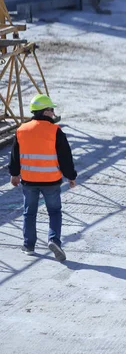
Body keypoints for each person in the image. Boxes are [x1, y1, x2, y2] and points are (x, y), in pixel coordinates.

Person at [8, 94, 77, 262]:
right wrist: (71, 176)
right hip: (51, 181)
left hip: (29, 181)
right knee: (54, 212)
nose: (53, 114)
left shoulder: (22, 130)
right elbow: (65, 157)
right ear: (45, 111)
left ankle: (29, 246)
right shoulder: (55, 131)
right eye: (52, 110)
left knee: (29, 213)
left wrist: (14, 174)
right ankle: (53, 240)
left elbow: (15, 156)